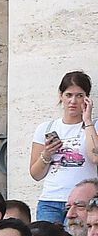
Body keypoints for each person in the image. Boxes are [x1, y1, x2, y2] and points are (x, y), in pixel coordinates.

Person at [29, 71, 94, 225]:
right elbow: (35, 174)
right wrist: (47, 154)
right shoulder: (46, 127)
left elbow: (95, 156)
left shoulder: (94, 126)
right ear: (61, 95)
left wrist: (88, 121)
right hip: (50, 200)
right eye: (68, 95)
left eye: (79, 95)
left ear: (87, 98)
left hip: (83, 201)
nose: (73, 101)